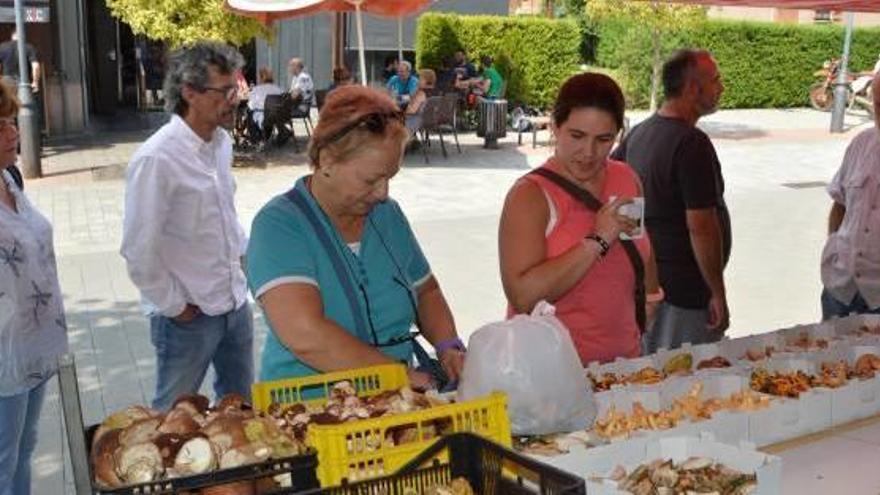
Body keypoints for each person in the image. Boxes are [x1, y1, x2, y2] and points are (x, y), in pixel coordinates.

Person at [245, 85, 465, 388]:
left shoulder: (388, 215)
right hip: (308, 410)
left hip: (397, 405)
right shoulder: (279, 225)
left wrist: (448, 346)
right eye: (371, 179)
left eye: (390, 177)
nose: (383, 192)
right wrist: (399, 377)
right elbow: (305, 333)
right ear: (326, 160)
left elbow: (426, 291)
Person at [120, 42, 254, 411]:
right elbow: (138, 249)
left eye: (235, 87)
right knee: (173, 421)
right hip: (188, 316)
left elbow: (224, 216)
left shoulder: (222, 143)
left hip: (234, 304)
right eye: (224, 90)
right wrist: (175, 306)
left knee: (241, 412)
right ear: (189, 92)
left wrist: (244, 267)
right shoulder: (156, 158)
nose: (233, 98)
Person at [499, 73, 660, 365]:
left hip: (624, 363)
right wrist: (596, 241)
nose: (588, 152)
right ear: (555, 127)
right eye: (577, 136)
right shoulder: (529, 195)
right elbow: (523, 296)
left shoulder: (626, 178)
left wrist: (651, 297)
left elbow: (641, 247)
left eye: (603, 139)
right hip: (552, 375)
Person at [611, 49, 730, 353]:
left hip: (651, 289)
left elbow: (622, 206)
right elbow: (701, 227)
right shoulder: (692, 144)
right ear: (692, 88)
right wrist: (717, 292)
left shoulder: (639, 133)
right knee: (682, 381)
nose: (722, 87)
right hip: (684, 294)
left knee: (654, 374)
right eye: (715, 80)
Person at [0, 79, 68, 495]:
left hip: (36, 347)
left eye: (9, 121)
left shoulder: (11, 180)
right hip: (4, 359)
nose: (12, 132)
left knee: (21, 455)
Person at [820, 75, 880, 319]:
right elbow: (839, 203)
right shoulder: (861, 143)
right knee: (828, 355)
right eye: (878, 102)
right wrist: (833, 245)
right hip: (841, 287)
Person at [0, 29, 40, 95]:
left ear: (12, 36)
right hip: (24, 82)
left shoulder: (2, 47)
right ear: (23, 36)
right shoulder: (29, 47)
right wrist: (35, 82)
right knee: (25, 104)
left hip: (6, 81)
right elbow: (36, 66)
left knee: (8, 104)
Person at [248, 67, 283, 133]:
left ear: (260, 78)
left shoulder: (256, 89)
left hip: (263, 116)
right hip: (277, 116)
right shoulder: (278, 89)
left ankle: (255, 137)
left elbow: (251, 105)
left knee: (249, 112)